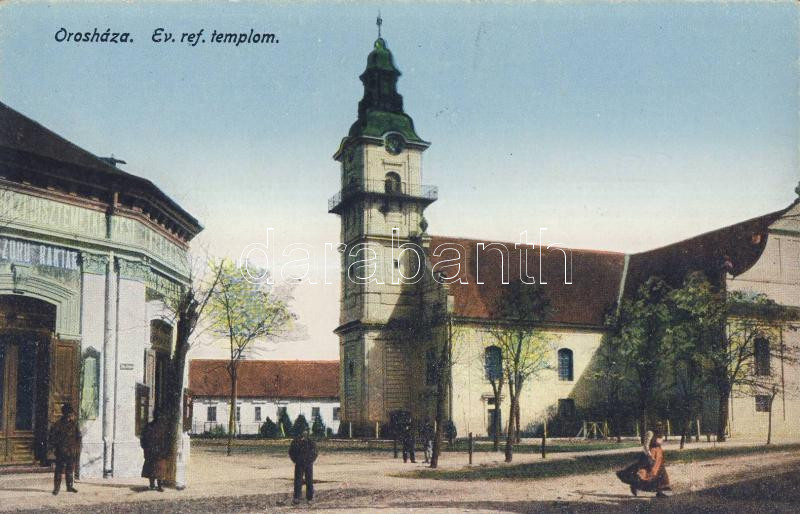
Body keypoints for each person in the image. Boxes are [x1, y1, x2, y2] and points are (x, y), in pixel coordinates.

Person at [616, 429, 671, 498]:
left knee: (660, 473)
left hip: (658, 457)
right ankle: (635, 485)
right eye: (657, 425)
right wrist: (650, 456)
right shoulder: (650, 433)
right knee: (647, 473)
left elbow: (659, 444)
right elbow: (646, 446)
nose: (659, 426)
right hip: (651, 455)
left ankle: (659, 492)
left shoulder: (660, 433)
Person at [49, 403, 81, 495]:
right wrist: (55, 448)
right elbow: (52, 437)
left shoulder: (74, 424)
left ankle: (69, 487)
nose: (71, 415)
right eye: (69, 413)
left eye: (71, 414)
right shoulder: (58, 424)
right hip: (61, 451)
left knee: (70, 469)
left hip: (71, 451)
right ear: (65, 414)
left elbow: (78, 436)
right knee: (59, 470)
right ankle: (56, 489)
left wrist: (76, 448)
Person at [140, 411, 169, 492]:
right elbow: (143, 439)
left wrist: (146, 448)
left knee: (157, 469)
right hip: (155, 451)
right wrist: (146, 448)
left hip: (156, 451)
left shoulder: (153, 426)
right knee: (155, 469)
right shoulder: (158, 427)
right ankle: (155, 485)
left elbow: (166, 440)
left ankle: (156, 485)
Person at [289, 427, 318, 504]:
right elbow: (291, 452)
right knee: (298, 481)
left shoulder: (310, 442)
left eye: (306, 431)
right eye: (303, 431)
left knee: (309, 481)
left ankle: (310, 498)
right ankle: (297, 497)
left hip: (308, 464)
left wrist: (311, 460)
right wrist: (296, 460)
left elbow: (315, 452)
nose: (304, 433)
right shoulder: (295, 442)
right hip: (299, 464)